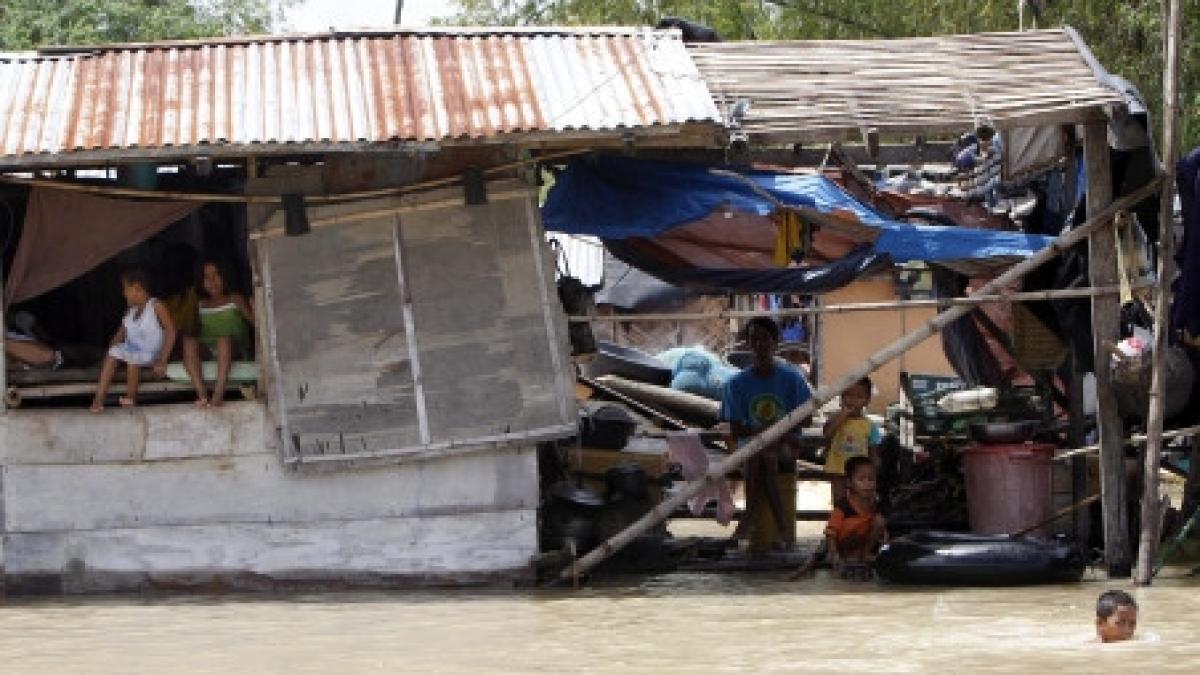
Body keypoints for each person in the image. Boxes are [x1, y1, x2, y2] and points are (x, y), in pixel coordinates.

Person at [720, 316, 811, 551]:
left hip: (786, 443)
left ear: (775, 341)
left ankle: (749, 519)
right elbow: (735, 427)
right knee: (762, 455)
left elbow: (806, 418)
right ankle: (782, 528)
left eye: (764, 338)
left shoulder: (792, 379)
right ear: (748, 343)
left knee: (765, 453)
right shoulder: (736, 384)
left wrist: (778, 429)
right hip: (753, 445)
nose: (759, 344)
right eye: (754, 339)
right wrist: (761, 432)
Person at [90, 267, 177, 412]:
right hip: (134, 351)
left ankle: (130, 397)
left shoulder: (156, 306)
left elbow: (171, 331)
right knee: (113, 352)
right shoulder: (130, 312)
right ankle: (99, 398)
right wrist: (109, 357)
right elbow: (119, 336)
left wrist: (163, 359)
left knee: (132, 361)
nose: (123, 293)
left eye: (125, 288)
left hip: (152, 355)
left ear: (137, 288)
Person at [188, 259, 253, 407]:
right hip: (210, 350)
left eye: (216, 275)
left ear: (225, 276)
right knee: (189, 341)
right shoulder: (201, 304)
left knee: (223, 340)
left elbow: (256, 323)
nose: (212, 281)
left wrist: (256, 310)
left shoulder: (235, 299)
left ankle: (218, 394)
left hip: (234, 348)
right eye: (206, 277)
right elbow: (196, 332)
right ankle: (202, 394)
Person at [824, 456, 887, 578]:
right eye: (861, 479)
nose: (867, 484)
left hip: (864, 545)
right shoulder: (842, 507)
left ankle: (864, 554)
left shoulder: (874, 505)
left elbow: (882, 530)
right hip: (844, 546)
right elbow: (830, 533)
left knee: (880, 521)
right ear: (849, 482)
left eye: (871, 479)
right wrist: (834, 554)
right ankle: (851, 556)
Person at [823, 376, 882, 503]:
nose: (853, 401)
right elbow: (827, 435)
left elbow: (873, 452)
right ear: (841, 397)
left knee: (859, 501)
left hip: (860, 473)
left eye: (859, 397)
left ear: (867, 401)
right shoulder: (834, 419)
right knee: (840, 502)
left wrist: (873, 474)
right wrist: (842, 416)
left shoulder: (869, 425)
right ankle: (840, 522)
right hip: (838, 469)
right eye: (848, 395)